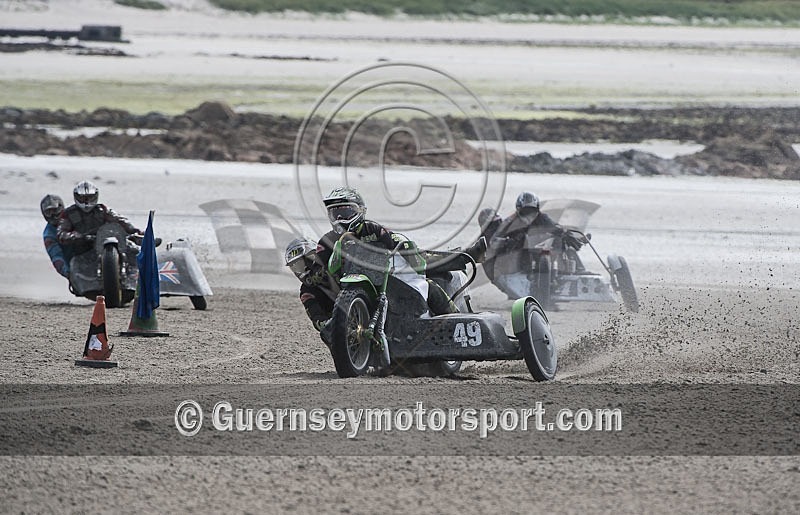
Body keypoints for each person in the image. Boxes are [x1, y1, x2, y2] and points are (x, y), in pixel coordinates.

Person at [317, 186, 458, 316]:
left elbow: (396, 240)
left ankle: (455, 317)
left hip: (382, 279)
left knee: (429, 285)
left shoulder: (373, 229)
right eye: (336, 215)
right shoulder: (327, 241)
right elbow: (317, 270)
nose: (340, 219)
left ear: (360, 211)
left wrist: (407, 250)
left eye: (346, 212)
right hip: (345, 287)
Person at [57, 180, 142, 259]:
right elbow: (61, 232)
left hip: (104, 241)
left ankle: (141, 267)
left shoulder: (102, 209)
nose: (86, 202)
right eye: (83, 198)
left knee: (132, 248)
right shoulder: (69, 213)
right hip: (82, 250)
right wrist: (77, 236)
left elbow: (120, 220)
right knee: (74, 266)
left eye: (89, 198)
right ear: (76, 197)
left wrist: (136, 231)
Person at [285, 237, 338, 332]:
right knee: (326, 334)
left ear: (312, 258)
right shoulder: (306, 291)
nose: (299, 271)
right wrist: (326, 324)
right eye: (295, 267)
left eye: (300, 264)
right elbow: (316, 317)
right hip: (341, 323)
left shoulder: (334, 263)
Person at [40, 194, 73, 279]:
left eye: (54, 210)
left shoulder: (74, 216)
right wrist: (67, 272)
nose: (52, 215)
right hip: (74, 265)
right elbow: (56, 256)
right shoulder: (49, 235)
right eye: (48, 212)